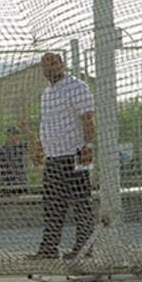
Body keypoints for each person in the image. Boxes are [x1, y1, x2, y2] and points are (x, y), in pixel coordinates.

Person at [25, 52, 95, 260]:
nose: (50, 68)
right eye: (46, 66)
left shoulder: (77, 87)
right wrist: (41, 150)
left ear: (62, 65)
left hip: (74, 153)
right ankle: (49, 248)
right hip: (54, 156)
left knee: (80, 202)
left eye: (54, 64)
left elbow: (87, 118)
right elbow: (47, 125)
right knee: (52, 204)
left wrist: (88, 145)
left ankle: (84, 248)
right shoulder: (47, 93)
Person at [0, 126, 31, 195]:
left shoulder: (22, 146)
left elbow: (34, 144)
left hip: (21, 183)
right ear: (7, 135)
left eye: (16, 134)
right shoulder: (1, 151)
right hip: (7, 184)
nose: (15, 136)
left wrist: (27, 130)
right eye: (13, 134)